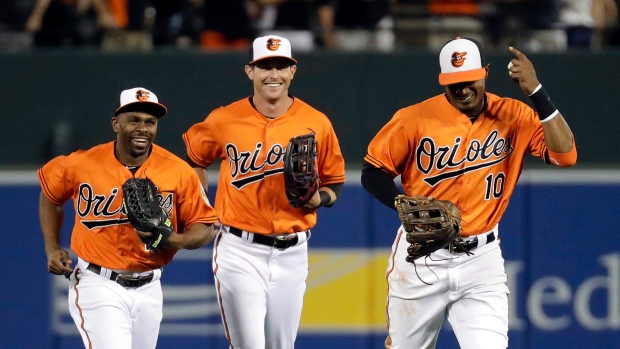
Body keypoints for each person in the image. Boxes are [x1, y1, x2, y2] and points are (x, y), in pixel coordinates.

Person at [361, 37, 577, 348]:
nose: (463, 88)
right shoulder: (413, 118)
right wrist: (400, 202)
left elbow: (566, 155)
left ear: (485, 72)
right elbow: (373, 172)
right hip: (423, 257)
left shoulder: (514, 115)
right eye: (454, 82)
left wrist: (536, 93)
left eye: (469, 79)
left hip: (481, 260)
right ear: (442, 81)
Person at [183, 35, 346, 348]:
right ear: (250, 72)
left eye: (280, 66)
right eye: (264, 67)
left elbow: (335, 179)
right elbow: (194, 160)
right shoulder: (223, 119)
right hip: (239, 250)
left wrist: (319, 199)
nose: (273, 74)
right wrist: (200, 205)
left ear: (292, 72)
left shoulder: (316, 122)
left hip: (293, 252)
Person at [38, 87, 218, 349]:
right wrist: (52, 248)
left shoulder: (178, 171)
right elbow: (50, 195)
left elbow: (205, 227)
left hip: (150, 287)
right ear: (116, 123)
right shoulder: (81, 164)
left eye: (150, 122)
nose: (142, 128)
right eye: (134, 120)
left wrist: (173, 240)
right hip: (97, 283)